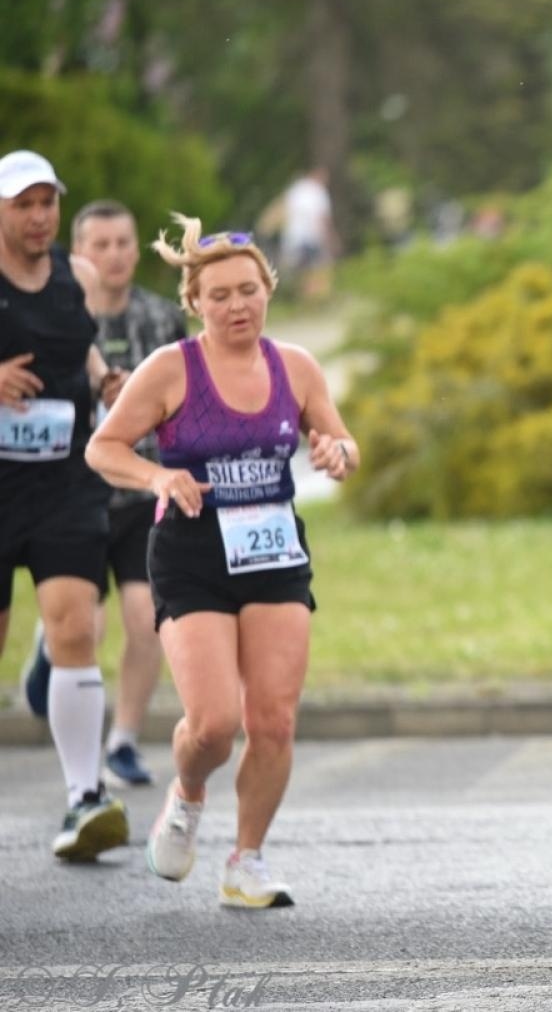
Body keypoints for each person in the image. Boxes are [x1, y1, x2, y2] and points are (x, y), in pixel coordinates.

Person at [86, 215, 359, 908]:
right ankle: (186, 794)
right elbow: (104, 448)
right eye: (220, 296)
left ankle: (248, 861)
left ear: (267, 290)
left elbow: (339, 440)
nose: (236, 305)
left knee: (273, 719)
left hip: (273, 551)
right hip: (192, 551)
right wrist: (157, 479)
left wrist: (337, 452)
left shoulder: (294, 366)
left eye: (248, 291)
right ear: (196, 303)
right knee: (211, 723)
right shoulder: (172, 368)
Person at [22, 200, 189, 789]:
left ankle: (122, 741)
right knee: (83, 630)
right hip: (76, 489)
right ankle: (53, 647)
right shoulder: (58, 310)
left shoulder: (162, 319)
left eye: (125, 243)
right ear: (79, 255)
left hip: (145, 491)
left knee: (146, 618)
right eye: (102, 245)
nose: (116, 256)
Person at [0, 149, 131, 861]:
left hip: (63, 483)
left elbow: (79, 347)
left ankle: (86, 796)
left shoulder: (74, 276)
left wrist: (105, 379)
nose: (38, 216)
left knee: (75, 627)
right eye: (23, 204)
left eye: (47, 202)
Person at [277, 168, 335, 301]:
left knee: (300, 272)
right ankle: (317, 299)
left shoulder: (295, 190)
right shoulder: (318, 192)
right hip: (312, 237)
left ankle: (303, 299)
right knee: (319, 268)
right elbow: (322, 218)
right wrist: (330, 239)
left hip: (293, 238)